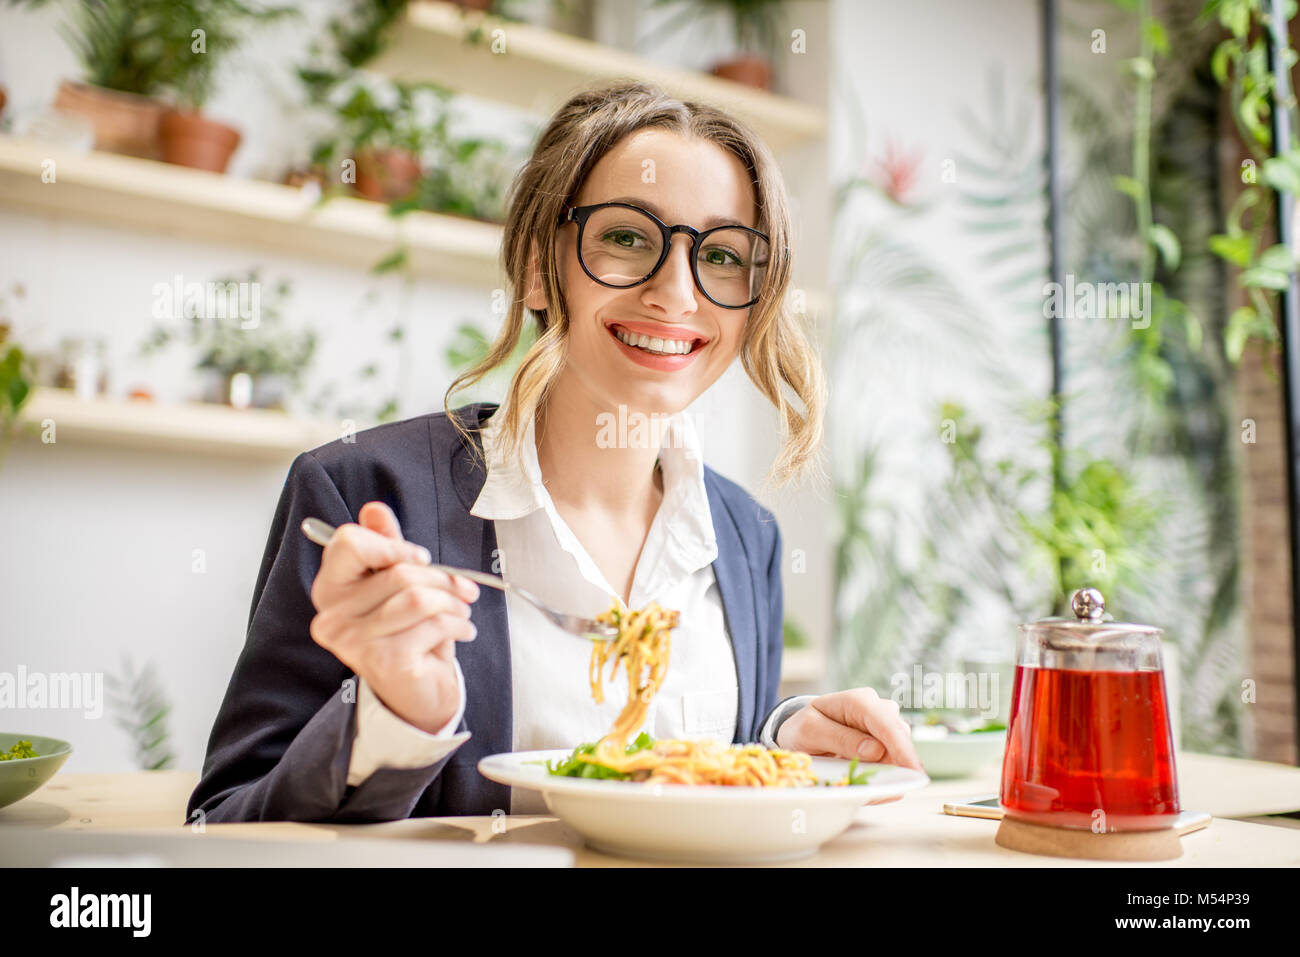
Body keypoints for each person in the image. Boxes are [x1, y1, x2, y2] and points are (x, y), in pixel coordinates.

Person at [187, 81, 921, 824]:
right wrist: (396, 717)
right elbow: (223, 821)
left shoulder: (744, 533)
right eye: (628, 237)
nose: (677, 293)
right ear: (539, 265)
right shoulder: (363, 492)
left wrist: (780, 737)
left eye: (724, 254)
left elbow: (696, 778)